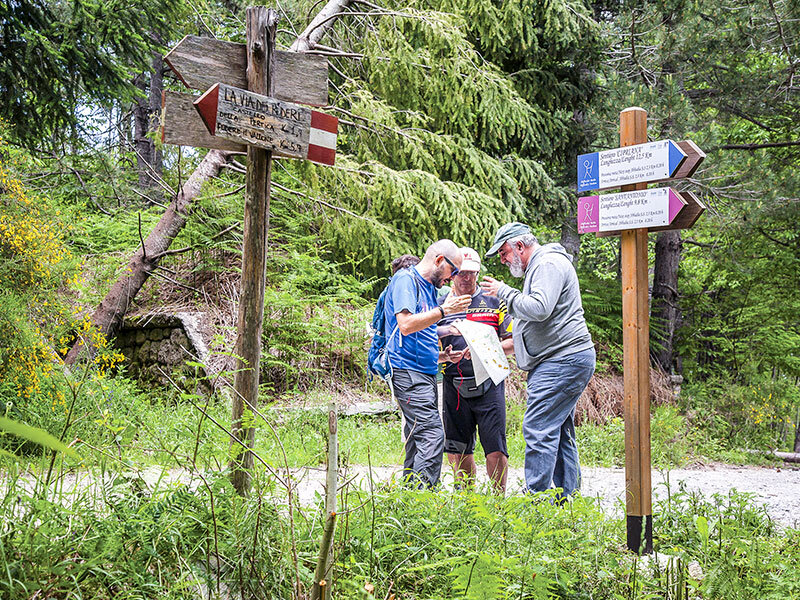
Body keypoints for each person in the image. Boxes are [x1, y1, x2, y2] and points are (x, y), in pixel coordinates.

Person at [479, 223, 595, 500]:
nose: (504, 260)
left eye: (504, 253)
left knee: (538, 426)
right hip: (560, 359)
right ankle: (567, 497)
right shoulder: (542, 266)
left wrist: (504, 292)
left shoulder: (548, 264)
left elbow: (540, 309)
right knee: (558, 429)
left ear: (520, 246)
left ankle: (537, 497)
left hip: (562, 360)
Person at [384, 240, 472, 488]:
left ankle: (410, 500)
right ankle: (424, 499)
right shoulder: (405, 280)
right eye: (453, 271)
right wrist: (444, 311)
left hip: (426, 371)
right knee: (432, 435)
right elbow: (406, 324)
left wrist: (443, 357)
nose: (453, 278)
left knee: (416, 437)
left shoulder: (429, 289)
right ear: (439, 260)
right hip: (407, 371)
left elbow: (422, 334)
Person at [438, 247, 514, 493]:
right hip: (454, 383)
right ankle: (466, 502)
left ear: (478, 273)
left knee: (495, 446)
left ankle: (496, 501)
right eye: (460, 272)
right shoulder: (440, 304)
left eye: (471, 273)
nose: (466, 278)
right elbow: (426, 338)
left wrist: (484, 349)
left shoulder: (495, 301)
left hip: (490, 381)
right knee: (457, 446)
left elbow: (513, 342)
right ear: (452, 273)